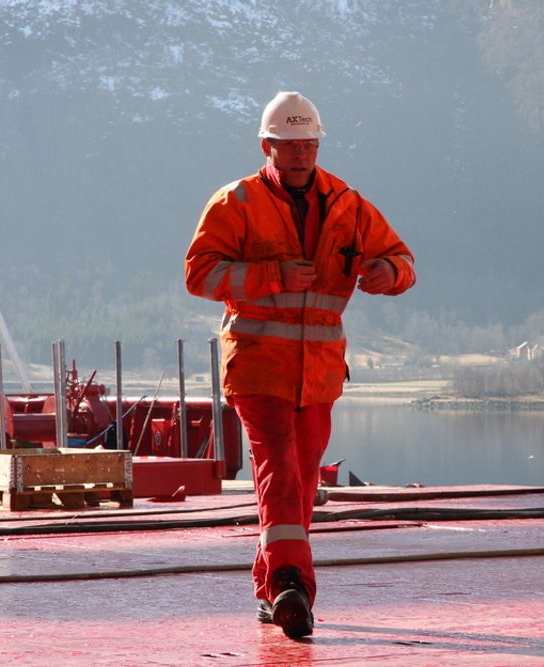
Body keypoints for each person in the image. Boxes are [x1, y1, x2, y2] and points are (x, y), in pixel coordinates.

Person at [185, 91, 416, 638]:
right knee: (280, 471)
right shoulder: (236, 202)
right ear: (267, 146)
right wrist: (272, 275)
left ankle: (272, 588)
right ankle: (293, 585)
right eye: (289, 146)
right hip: (259, 368)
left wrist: (389, 273)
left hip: (319, 374)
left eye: (309, 144)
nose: (300, 155)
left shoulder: (347, 204)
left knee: (302, 479)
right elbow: (200, 275)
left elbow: (402, 258)